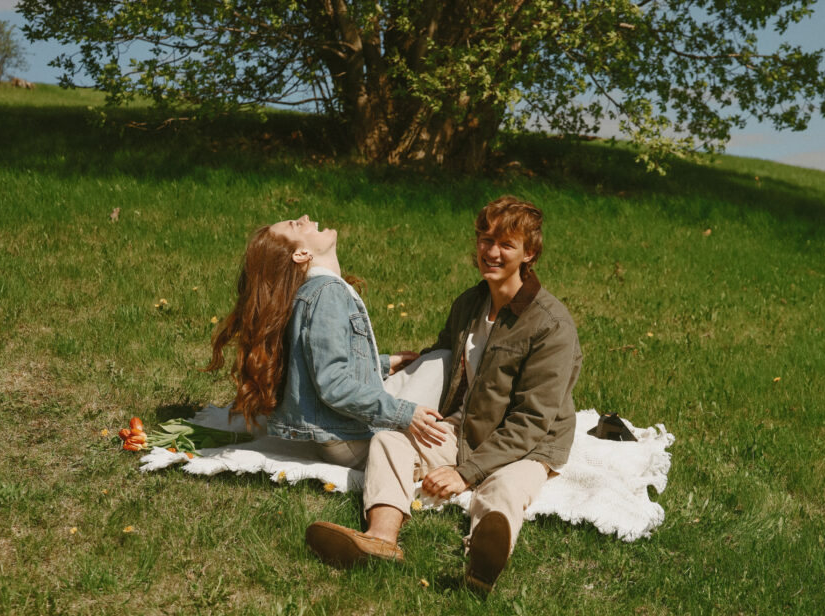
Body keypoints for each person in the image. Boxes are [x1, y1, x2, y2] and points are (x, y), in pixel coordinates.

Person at [306, 196, 582, 593]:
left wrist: (465, 473)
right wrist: (401, 366)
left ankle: (482, 568)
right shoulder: (470, 303)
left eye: (506, 244)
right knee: (389, 440)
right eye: (486, 240)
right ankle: (381, 539)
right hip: (465, 425)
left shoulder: (551, 325)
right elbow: (446, 360)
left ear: (529, 253)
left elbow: (533, 422)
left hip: (530, 444)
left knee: (503, 488)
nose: (491, 252)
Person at [206, 215, 447, 467]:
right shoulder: (326, 292)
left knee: (421, 365)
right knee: (443, 361)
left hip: (335, 437)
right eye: (296, 225)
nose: (305, 217)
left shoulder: (307, 293)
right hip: (352, 441)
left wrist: (385, 364)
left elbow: (313, 362)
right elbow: (333, 383)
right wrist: (405, 414)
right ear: (301, 254)